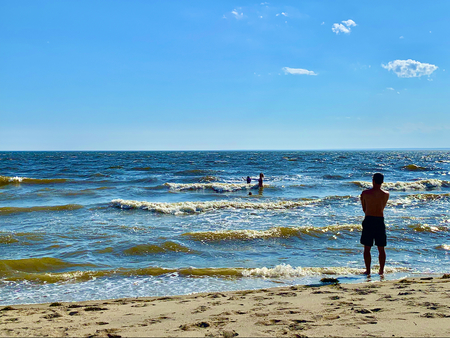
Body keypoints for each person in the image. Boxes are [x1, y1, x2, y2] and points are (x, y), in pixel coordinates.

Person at [360, 173, 389, 276]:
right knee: (381, 248)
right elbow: (383, 206)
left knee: (367, 247)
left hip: (369, 219)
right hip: (380, 220)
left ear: (373, 181)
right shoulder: (386, 194)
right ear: (382, 182)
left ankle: (368, 270)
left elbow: (364, 208)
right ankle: (381, 270)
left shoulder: (365, 193)